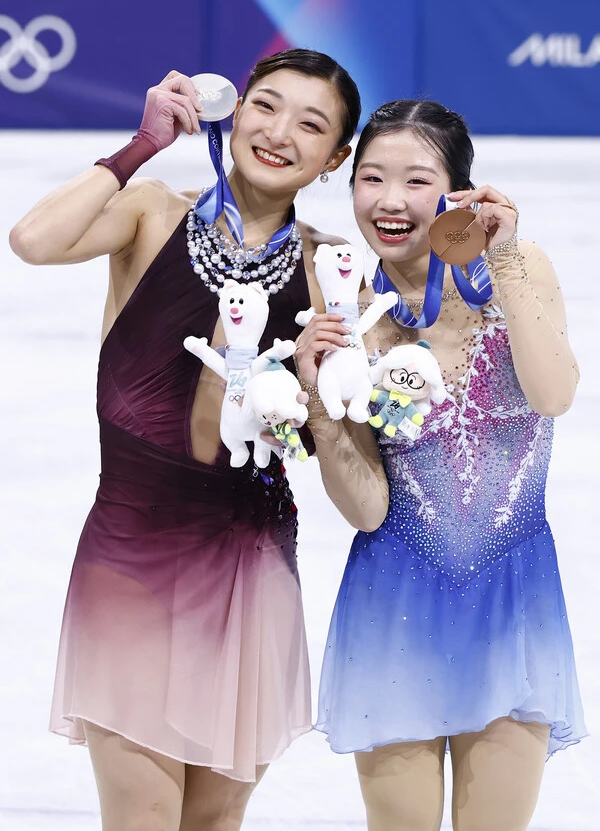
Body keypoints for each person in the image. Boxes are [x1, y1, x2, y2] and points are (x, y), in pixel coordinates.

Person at [9, 49, 360, 831]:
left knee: (211, 822)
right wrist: (139, 149)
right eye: (265, 106)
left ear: (336, 157)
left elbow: (328, 432)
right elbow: (31, 240)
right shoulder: (153, 212)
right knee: (141, 819)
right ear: (232, 113)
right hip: (132, 560)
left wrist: (315, 383)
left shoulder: (330, 267)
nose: (277, 132)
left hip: (253, 567)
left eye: (310, 124)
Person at [294, 100, 587, 831]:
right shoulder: (351, 309)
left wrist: (507, 253)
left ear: (458, 190)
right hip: (393, 605)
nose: (390, 202)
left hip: (513, 599)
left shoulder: (520, 270)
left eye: (416, 180)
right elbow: (364, 510)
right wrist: (321, 402)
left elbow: (553, 394)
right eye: (370, 179)